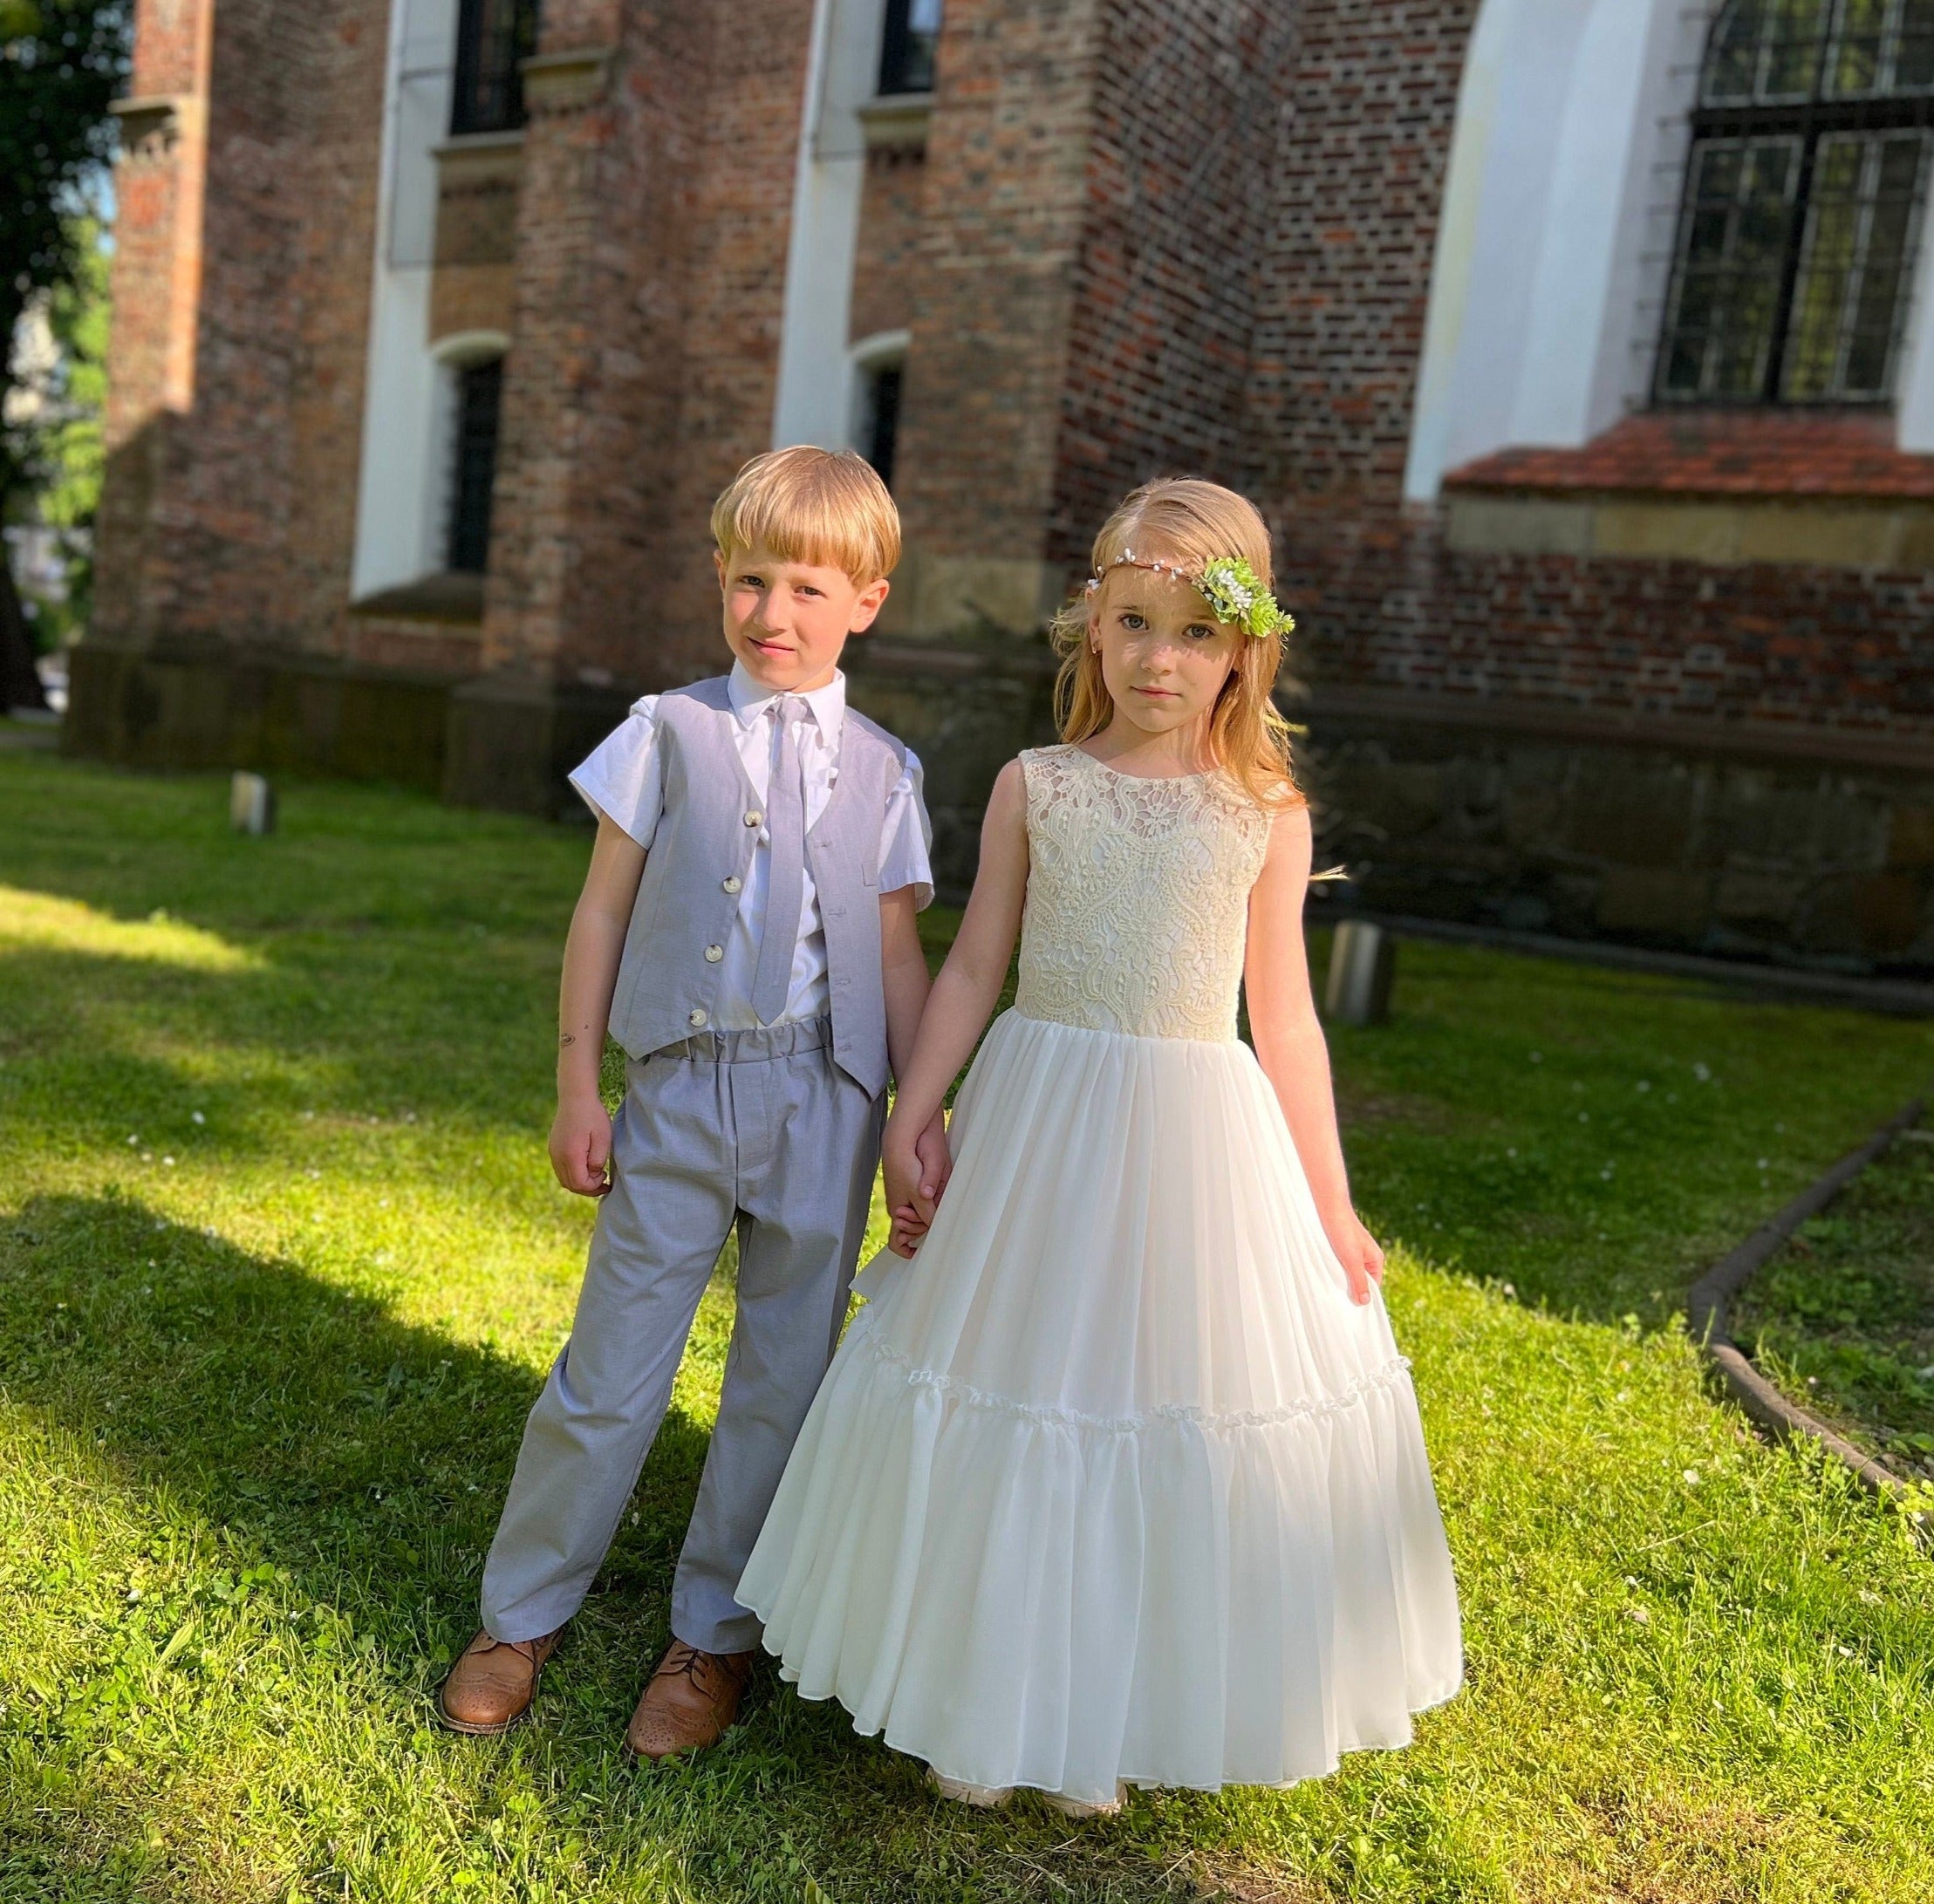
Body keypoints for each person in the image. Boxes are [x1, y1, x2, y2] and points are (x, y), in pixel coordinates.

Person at [739, 477, 1463, 1814]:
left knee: (1152, 1397)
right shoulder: (1039, 787)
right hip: (1036, 1124)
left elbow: (1286, 1023)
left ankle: (1114, 1699)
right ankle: (982, 1690)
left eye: (1194, 632)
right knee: (1016, 1378)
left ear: (1244, 649)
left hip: (1192, 1136)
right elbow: (968, 968)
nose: (1159, 658)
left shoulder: (1264, 813)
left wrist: (1332, 1199)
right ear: (1091, 627)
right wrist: (915, 1107)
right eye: (1133, 623)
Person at [436, 447, 950, 1758]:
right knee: (607, 1374)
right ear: (719, 583)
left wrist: (908, 1117)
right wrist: (575, 1083)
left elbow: (896, 958)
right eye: (748, 580)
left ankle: (711, 1635)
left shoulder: (887, 773)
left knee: (781, 1377)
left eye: (806, 589)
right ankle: (520, 1610)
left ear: (867, 602)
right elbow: (601, 908)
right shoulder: (664, 730)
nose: (772, 613)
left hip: (825, 1102)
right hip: (677, 1088)